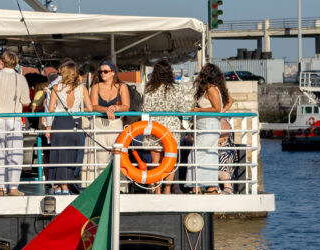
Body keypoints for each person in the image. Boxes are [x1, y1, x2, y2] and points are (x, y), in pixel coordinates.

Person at [0, 50, 30, 195]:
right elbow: (26, 101)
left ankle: (0, 188)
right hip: (14, 119)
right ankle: (13, 188)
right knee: (15, 154)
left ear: (3, 61)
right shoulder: (20, 78)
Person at [138, 60, 187, 193]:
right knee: (170, 161)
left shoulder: (149, 89)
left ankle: (156, 188)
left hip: (155, 126)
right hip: (171, 128)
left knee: (155, 161)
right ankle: (167, 188)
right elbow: (183, 108)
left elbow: (145, 108)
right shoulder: (176, 89)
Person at [42, 60, 88, 194]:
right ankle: (66, 184)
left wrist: (48, 127)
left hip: (60, 122)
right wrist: (77, 110)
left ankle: (62, 187)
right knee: (72, 154)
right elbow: (90, 108)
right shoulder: (82, 88)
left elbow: (50, 110)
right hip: (75, 122)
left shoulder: (56, 88)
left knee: (59, 154)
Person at [191, 63, 232, 193]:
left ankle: (203, 186)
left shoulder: (211, 89)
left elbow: (218, 108)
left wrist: (199, 110)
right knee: (204, 155)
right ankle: (207, 186)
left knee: (199, 155)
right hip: (204, 126)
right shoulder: (210, 88)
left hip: (209, 126)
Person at [86, 61, 131, 177]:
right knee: (100, 158)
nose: (102, 74)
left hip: (115, 124)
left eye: (105, 71)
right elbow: (93, 106)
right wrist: (106, 109)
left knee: (117, 156)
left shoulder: (122, 86)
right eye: (100, 71)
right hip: (98, 125)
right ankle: (101, 184)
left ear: (113, 73)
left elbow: (126, 106)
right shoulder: (95, 87)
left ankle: (118, 184)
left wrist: (115, 107)